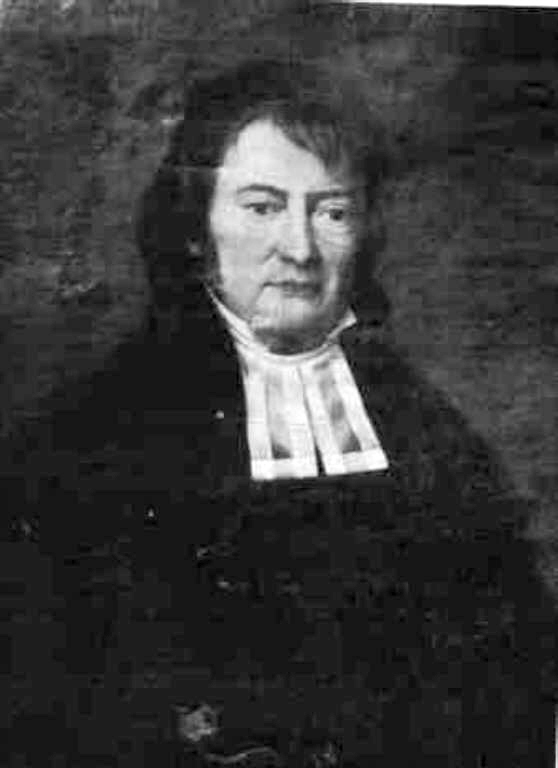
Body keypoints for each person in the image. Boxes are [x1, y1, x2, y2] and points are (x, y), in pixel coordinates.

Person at [2, 57, 556, 767]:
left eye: (332, 212)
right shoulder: (89, 437)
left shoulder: (428, 430)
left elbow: (514, 673)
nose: (300, 250)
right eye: (262, 207)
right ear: (196, 226)